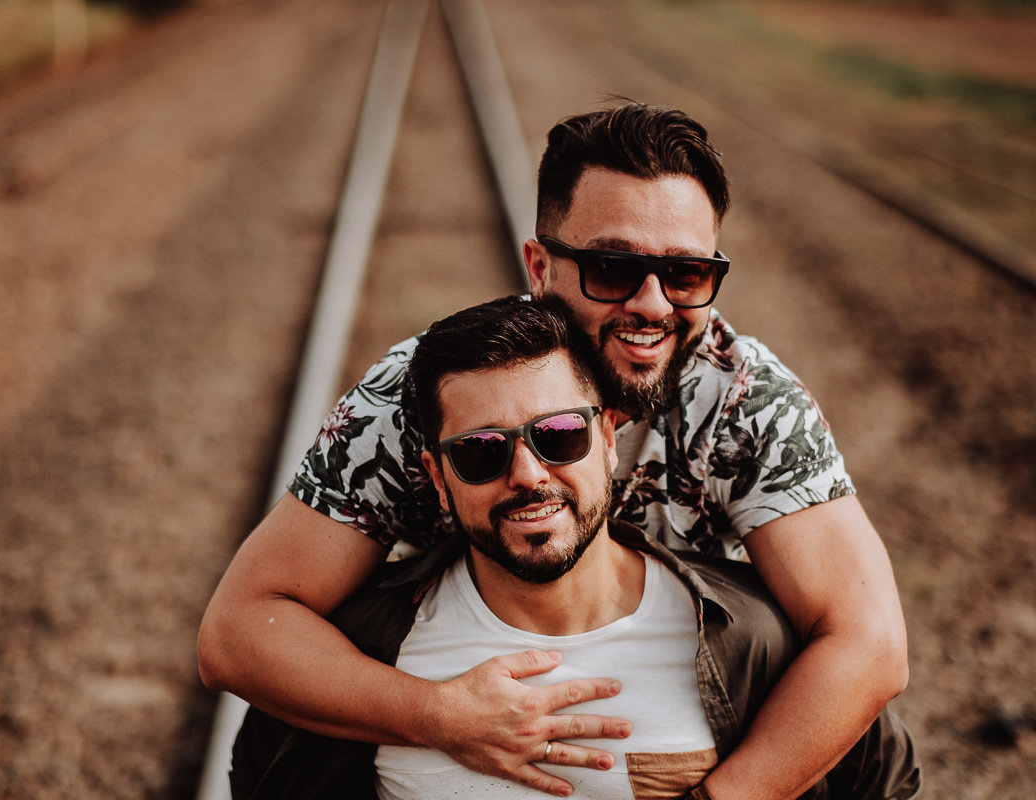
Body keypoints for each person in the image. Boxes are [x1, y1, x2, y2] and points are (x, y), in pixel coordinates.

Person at [198, 102, 910, 799]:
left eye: (686, 274)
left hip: (680, 710)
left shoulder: (746, 399)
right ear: (540, 266)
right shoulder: (420, 395)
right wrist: (437, 717)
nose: (654, 304)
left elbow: (867, 644)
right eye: (613, 269)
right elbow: (238, 631)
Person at [226, 296, 921, 800]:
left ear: (611, 439)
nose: (527, 475)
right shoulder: (359, 658)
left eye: (559, 436)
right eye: (480, 452)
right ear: (437, 479)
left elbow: (879, 767)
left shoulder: (754, 647)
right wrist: (436, 718)